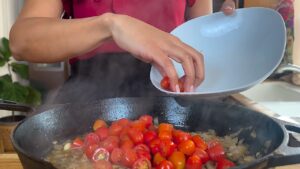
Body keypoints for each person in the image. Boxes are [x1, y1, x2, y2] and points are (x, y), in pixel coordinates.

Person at [9, 0, 235, 103]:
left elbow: (200, 47)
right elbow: (22, 41)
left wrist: (226, 30)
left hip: (173, 96)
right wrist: (110, 26)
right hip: (86, 101)